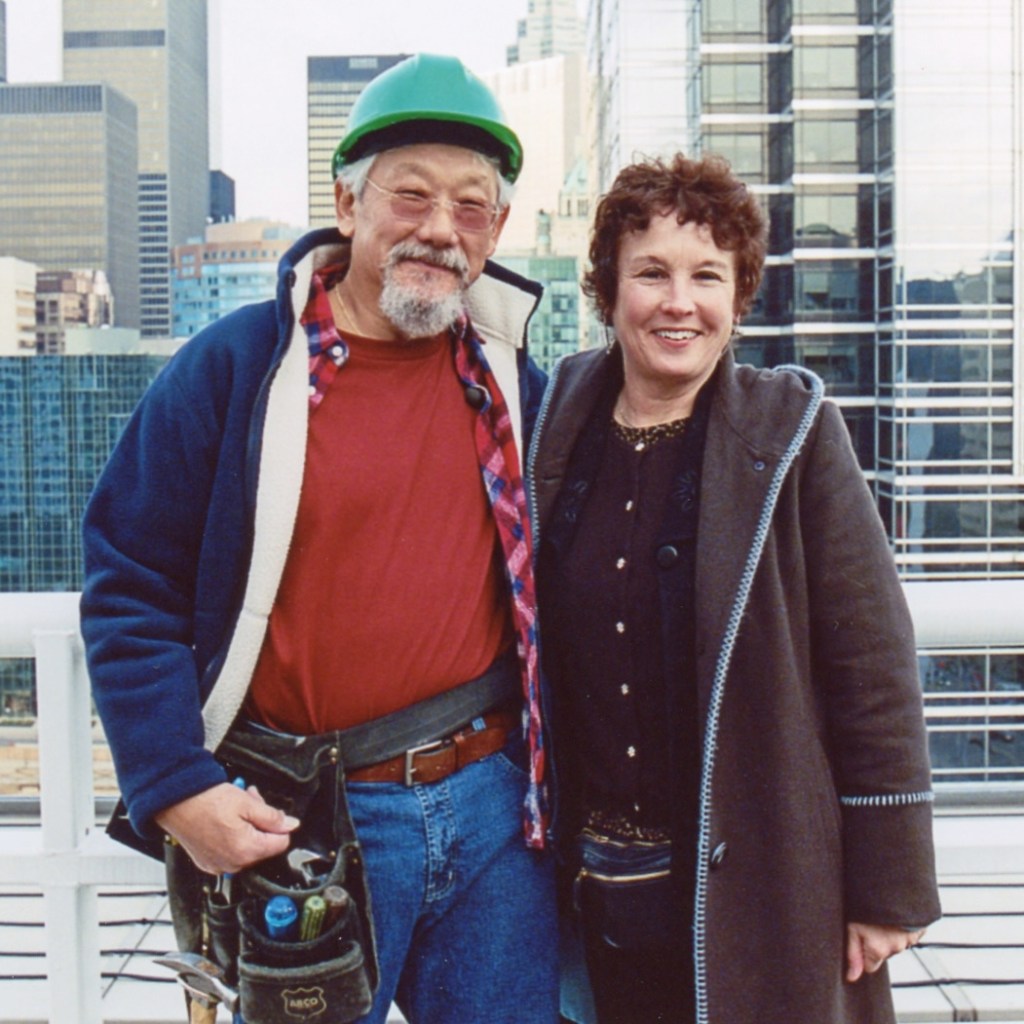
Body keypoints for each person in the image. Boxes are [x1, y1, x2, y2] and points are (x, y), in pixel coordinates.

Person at [81, 53, 559, 1024]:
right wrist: (174, 786)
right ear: (347, 203)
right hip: (302, 822)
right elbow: (130, 582)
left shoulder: (515, 383)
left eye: (471, 207)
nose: (440, 228)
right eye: (410, 194)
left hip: (495, 814)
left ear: (497, 231)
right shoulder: (236, 372)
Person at [531, 153, 941, 1024]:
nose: (679, 302)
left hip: (760, 885)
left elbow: (873, 666)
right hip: (587, 893)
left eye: (707, 276)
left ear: (740, 296)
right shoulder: (555, 427)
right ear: (608, 291)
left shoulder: (795, 434)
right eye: (651, 273)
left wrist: (889, 887)